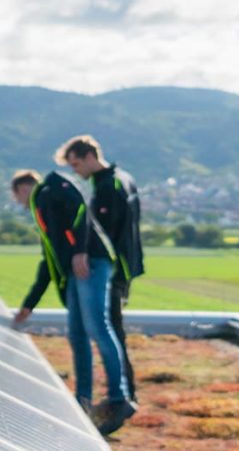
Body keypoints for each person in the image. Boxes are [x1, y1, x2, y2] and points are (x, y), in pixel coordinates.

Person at [8, 163, 135, 434]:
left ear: (22, 188)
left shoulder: (53, 188)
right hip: (77, 270)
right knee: (77, 335)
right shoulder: (44, 203)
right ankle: (83, 400)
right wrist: (29, 304)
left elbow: (81, 211)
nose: (20, 203)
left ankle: (119, 397)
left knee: (98, 327)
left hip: (91, 262)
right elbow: (49, 261)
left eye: (17, 197)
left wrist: (80, 251)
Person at [61, 135, 143, 402]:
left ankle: (123, 398)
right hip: (125, 265)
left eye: (76, 164)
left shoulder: (108, 186)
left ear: (89, 157)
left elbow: (105, 235)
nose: (76, 172)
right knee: (114, 330)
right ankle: (125, 395)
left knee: (110, 331)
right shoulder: (124, 178)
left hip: (113, 268)